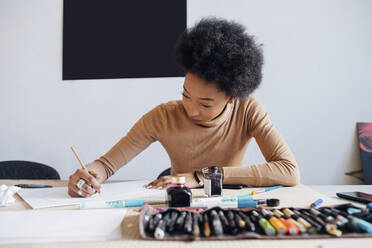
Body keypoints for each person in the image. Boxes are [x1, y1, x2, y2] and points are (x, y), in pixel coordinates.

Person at [68, 17, 299, 197]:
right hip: (179, 204)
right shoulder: (163, 117)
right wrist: (89, 176)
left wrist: (200, 176)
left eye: (205, 104)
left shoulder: (247, 110)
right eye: (186, 95)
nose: (191, 110)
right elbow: (107, 165)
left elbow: (288, 171)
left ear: (232, 98)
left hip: (229, 203)